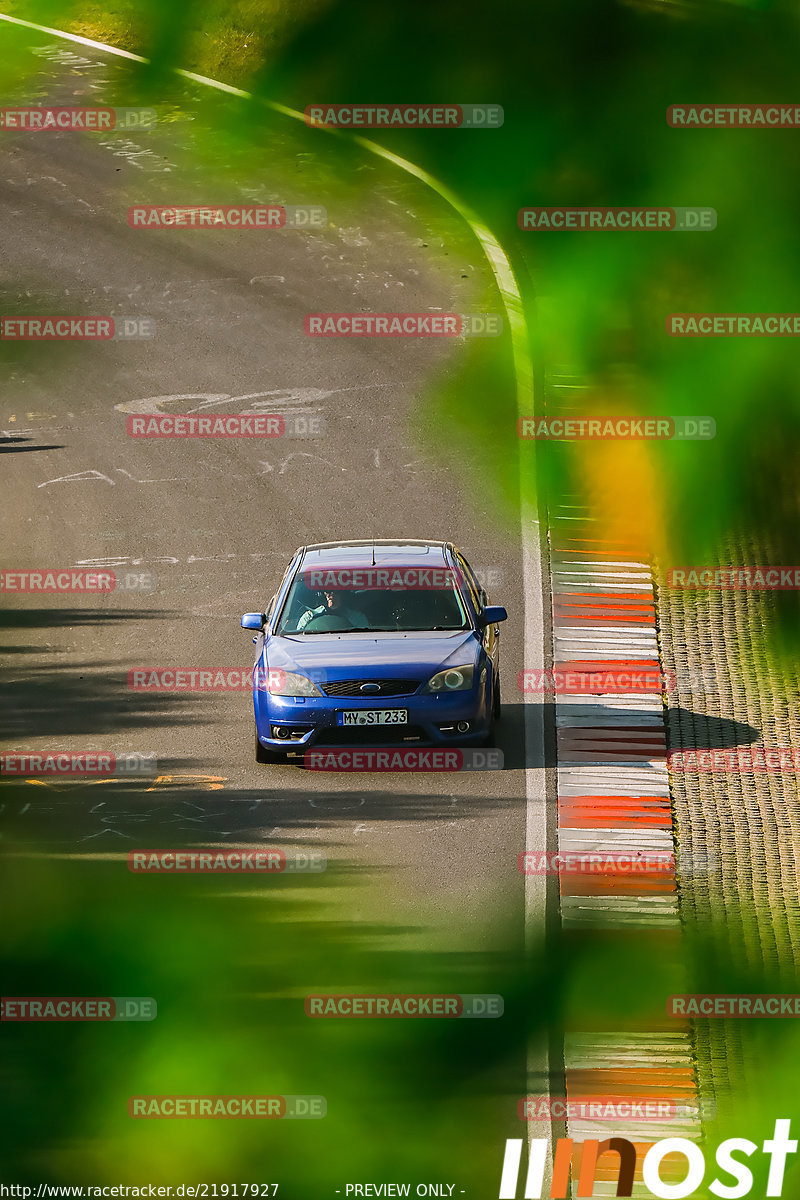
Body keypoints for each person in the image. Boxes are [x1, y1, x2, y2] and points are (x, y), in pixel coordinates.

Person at [297, 589, 369, 631]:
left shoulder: (356, 618)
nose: (330, 595)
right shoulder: (308, 617)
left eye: (335, 591)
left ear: (343, 594)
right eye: (327, 591)